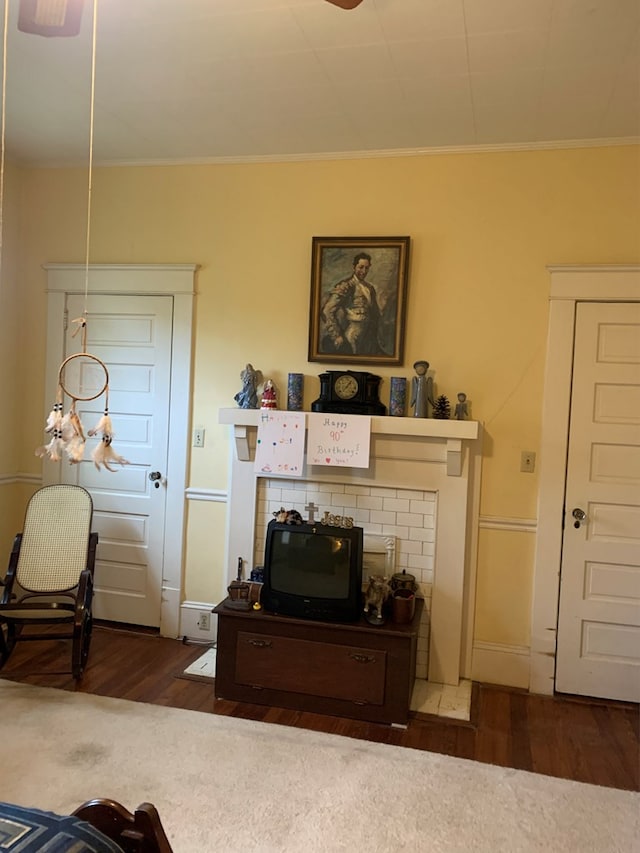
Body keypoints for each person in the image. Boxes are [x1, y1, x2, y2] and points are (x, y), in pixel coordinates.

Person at [320, 252, 386, 356]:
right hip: (353, 335)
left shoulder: (369, 288)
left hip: (369, 337)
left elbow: (374, 314)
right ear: (354, 267)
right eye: (361, 267)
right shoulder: (346, 286)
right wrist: (336, 335)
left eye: (366, 268)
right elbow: (327, 310)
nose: (363, 271)